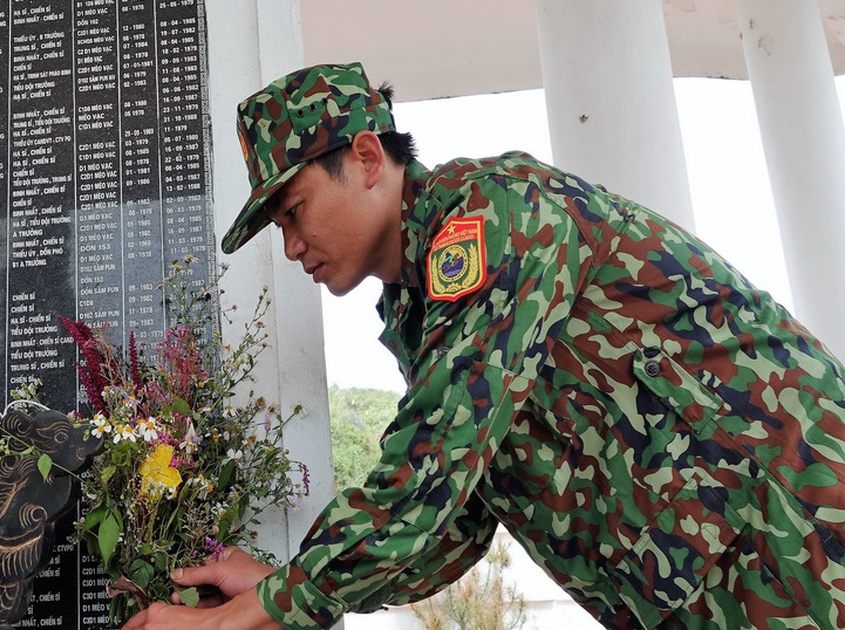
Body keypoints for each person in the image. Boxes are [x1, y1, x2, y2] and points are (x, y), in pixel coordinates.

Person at [124, 62, 845, 629]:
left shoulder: (489, 215)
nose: (290, 247)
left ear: (369, 157)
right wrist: (289, 588)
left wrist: (255, 615)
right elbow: (456, 520)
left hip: (797, 520)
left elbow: (433, 466)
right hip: (711, 580)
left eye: (294, 211)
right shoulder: (419, 307)